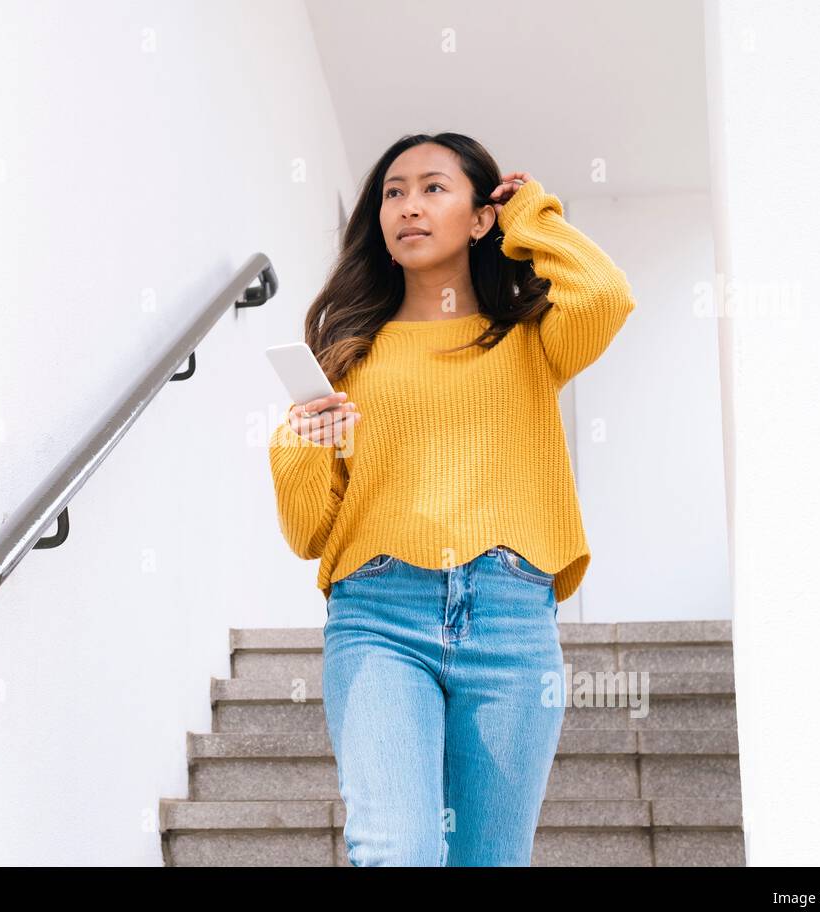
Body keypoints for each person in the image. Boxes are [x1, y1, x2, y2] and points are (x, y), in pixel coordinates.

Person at [267, 132, 636, 866]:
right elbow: (310, 532)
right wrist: (300, 444)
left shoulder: (530, 340)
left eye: (434, 188)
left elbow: (606, 294)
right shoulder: (349, 353)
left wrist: (532, 214)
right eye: (393, 192)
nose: (408, 206)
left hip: (511, 617)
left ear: (478, 217)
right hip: (378, 615)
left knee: (488, 859)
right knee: (396, 850)